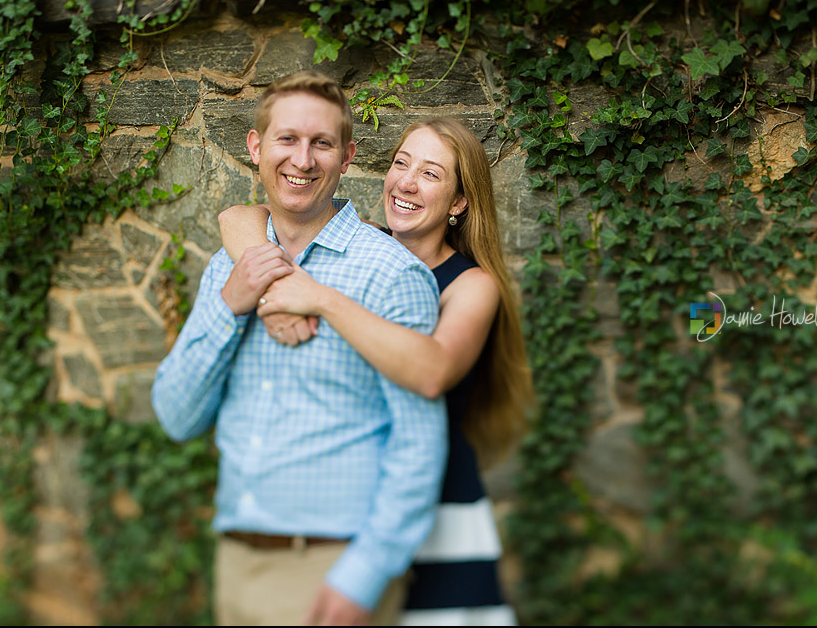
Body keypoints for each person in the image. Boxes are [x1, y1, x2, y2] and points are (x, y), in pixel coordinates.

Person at [152, 71, 448, 626]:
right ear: (256, 146)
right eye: (287, 139)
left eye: (322, 143)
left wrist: (363, 577)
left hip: (329, 569)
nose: (303, 160)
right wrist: (231, 303)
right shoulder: (228, 266)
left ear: (347, 156)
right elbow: (175, 417)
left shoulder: (391, 274)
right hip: (236, 563)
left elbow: (419, 445)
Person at [218, 116, 532, 625]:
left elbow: (432, 371)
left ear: (458, 202)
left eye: (431, 174)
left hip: (436, 507)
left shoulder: (471, 286)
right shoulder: (358, 244)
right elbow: (238, 216)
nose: (405, 181)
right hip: (354, 509)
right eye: (400, 163)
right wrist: (275, 293)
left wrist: (319, 298)